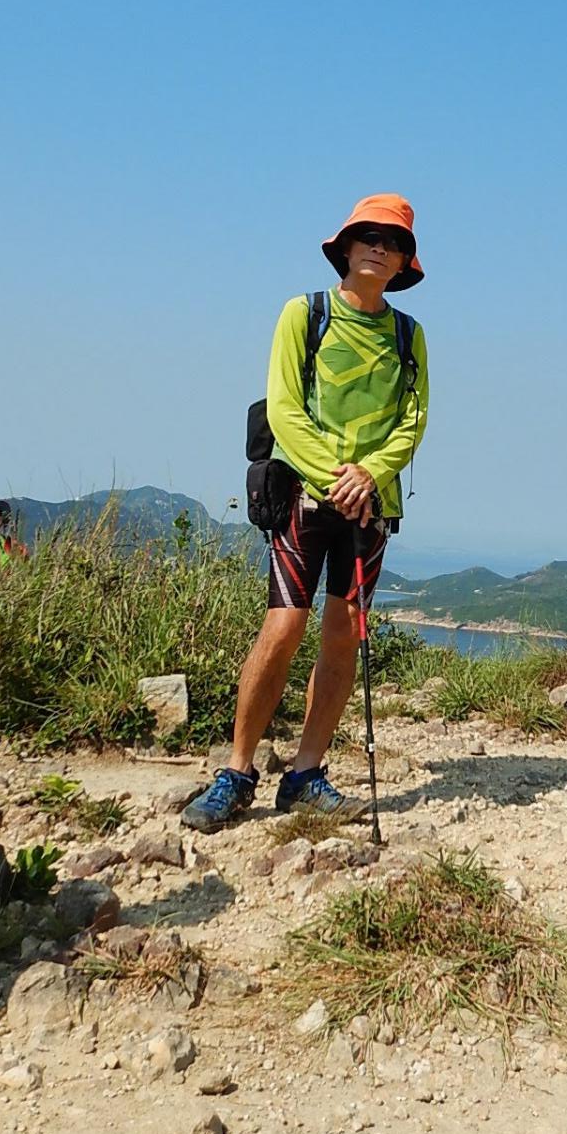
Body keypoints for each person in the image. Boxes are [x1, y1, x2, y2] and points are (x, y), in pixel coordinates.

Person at [183, 194, 429, 833]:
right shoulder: (305, 313)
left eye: (393, 242)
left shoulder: (410, 334)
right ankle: (237, 771)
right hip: (304, 495)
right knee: (284, 625)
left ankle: (305, 773)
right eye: (368, 235)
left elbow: (413, 420)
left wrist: (369, 475)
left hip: (371, 504)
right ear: (345, 247)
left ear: (403, 261)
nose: (379, 247)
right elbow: (284, 409)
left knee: (343, 632)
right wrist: (335, 477)